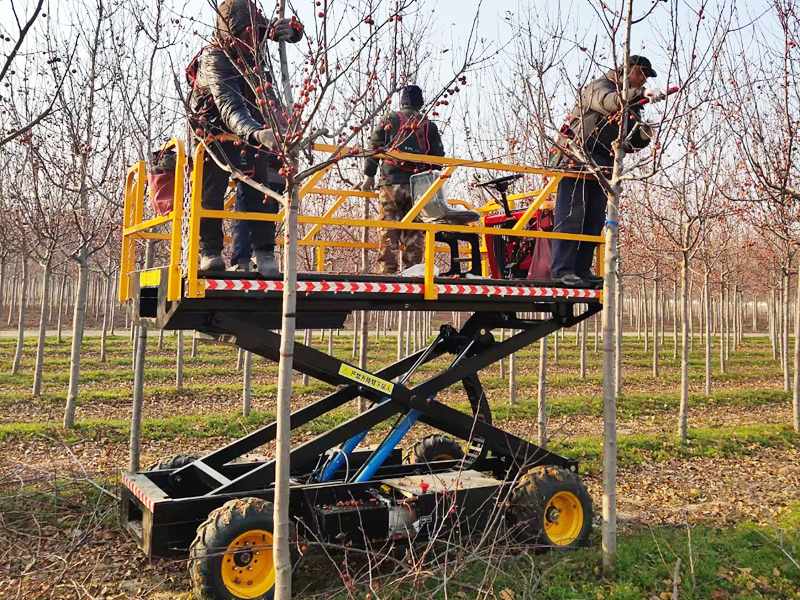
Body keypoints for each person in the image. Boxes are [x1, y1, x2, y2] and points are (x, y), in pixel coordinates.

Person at [187, 0, 303, 277]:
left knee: (260, 190)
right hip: (214, 134)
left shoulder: (255, 47)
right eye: (245, 35)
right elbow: (229, 104)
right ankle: (210, 252)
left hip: (250, 132)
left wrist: (293, 30)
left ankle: (263, 252)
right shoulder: (214, 57)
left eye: (255, 34)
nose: (252, 40)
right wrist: (257, 132)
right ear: (230, 33)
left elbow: (284, 33)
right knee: (210, 194)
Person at [549, 55, 665, 286]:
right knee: (572, 216)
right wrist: (640, 95)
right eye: (640, 73)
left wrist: (645, 134)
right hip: (576, 157)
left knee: (593, 219)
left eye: (645, 78)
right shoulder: (599, 88)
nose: (642, 80)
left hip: (602, 163)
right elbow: (609, 102)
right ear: (627, 70)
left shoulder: (631, 106)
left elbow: (628, 142)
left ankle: (582, 269)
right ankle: (562, 270)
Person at [361, 85, 445, 275]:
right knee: (415, 232)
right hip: (419, 187)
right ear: (420, 102)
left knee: (389, 229)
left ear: (402, 102)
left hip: (391, 184)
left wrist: (369, 175)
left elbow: (374, 147)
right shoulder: (428, 124)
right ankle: (413, 272)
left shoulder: (390, 119)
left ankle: (387, 273)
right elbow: (438, 158)